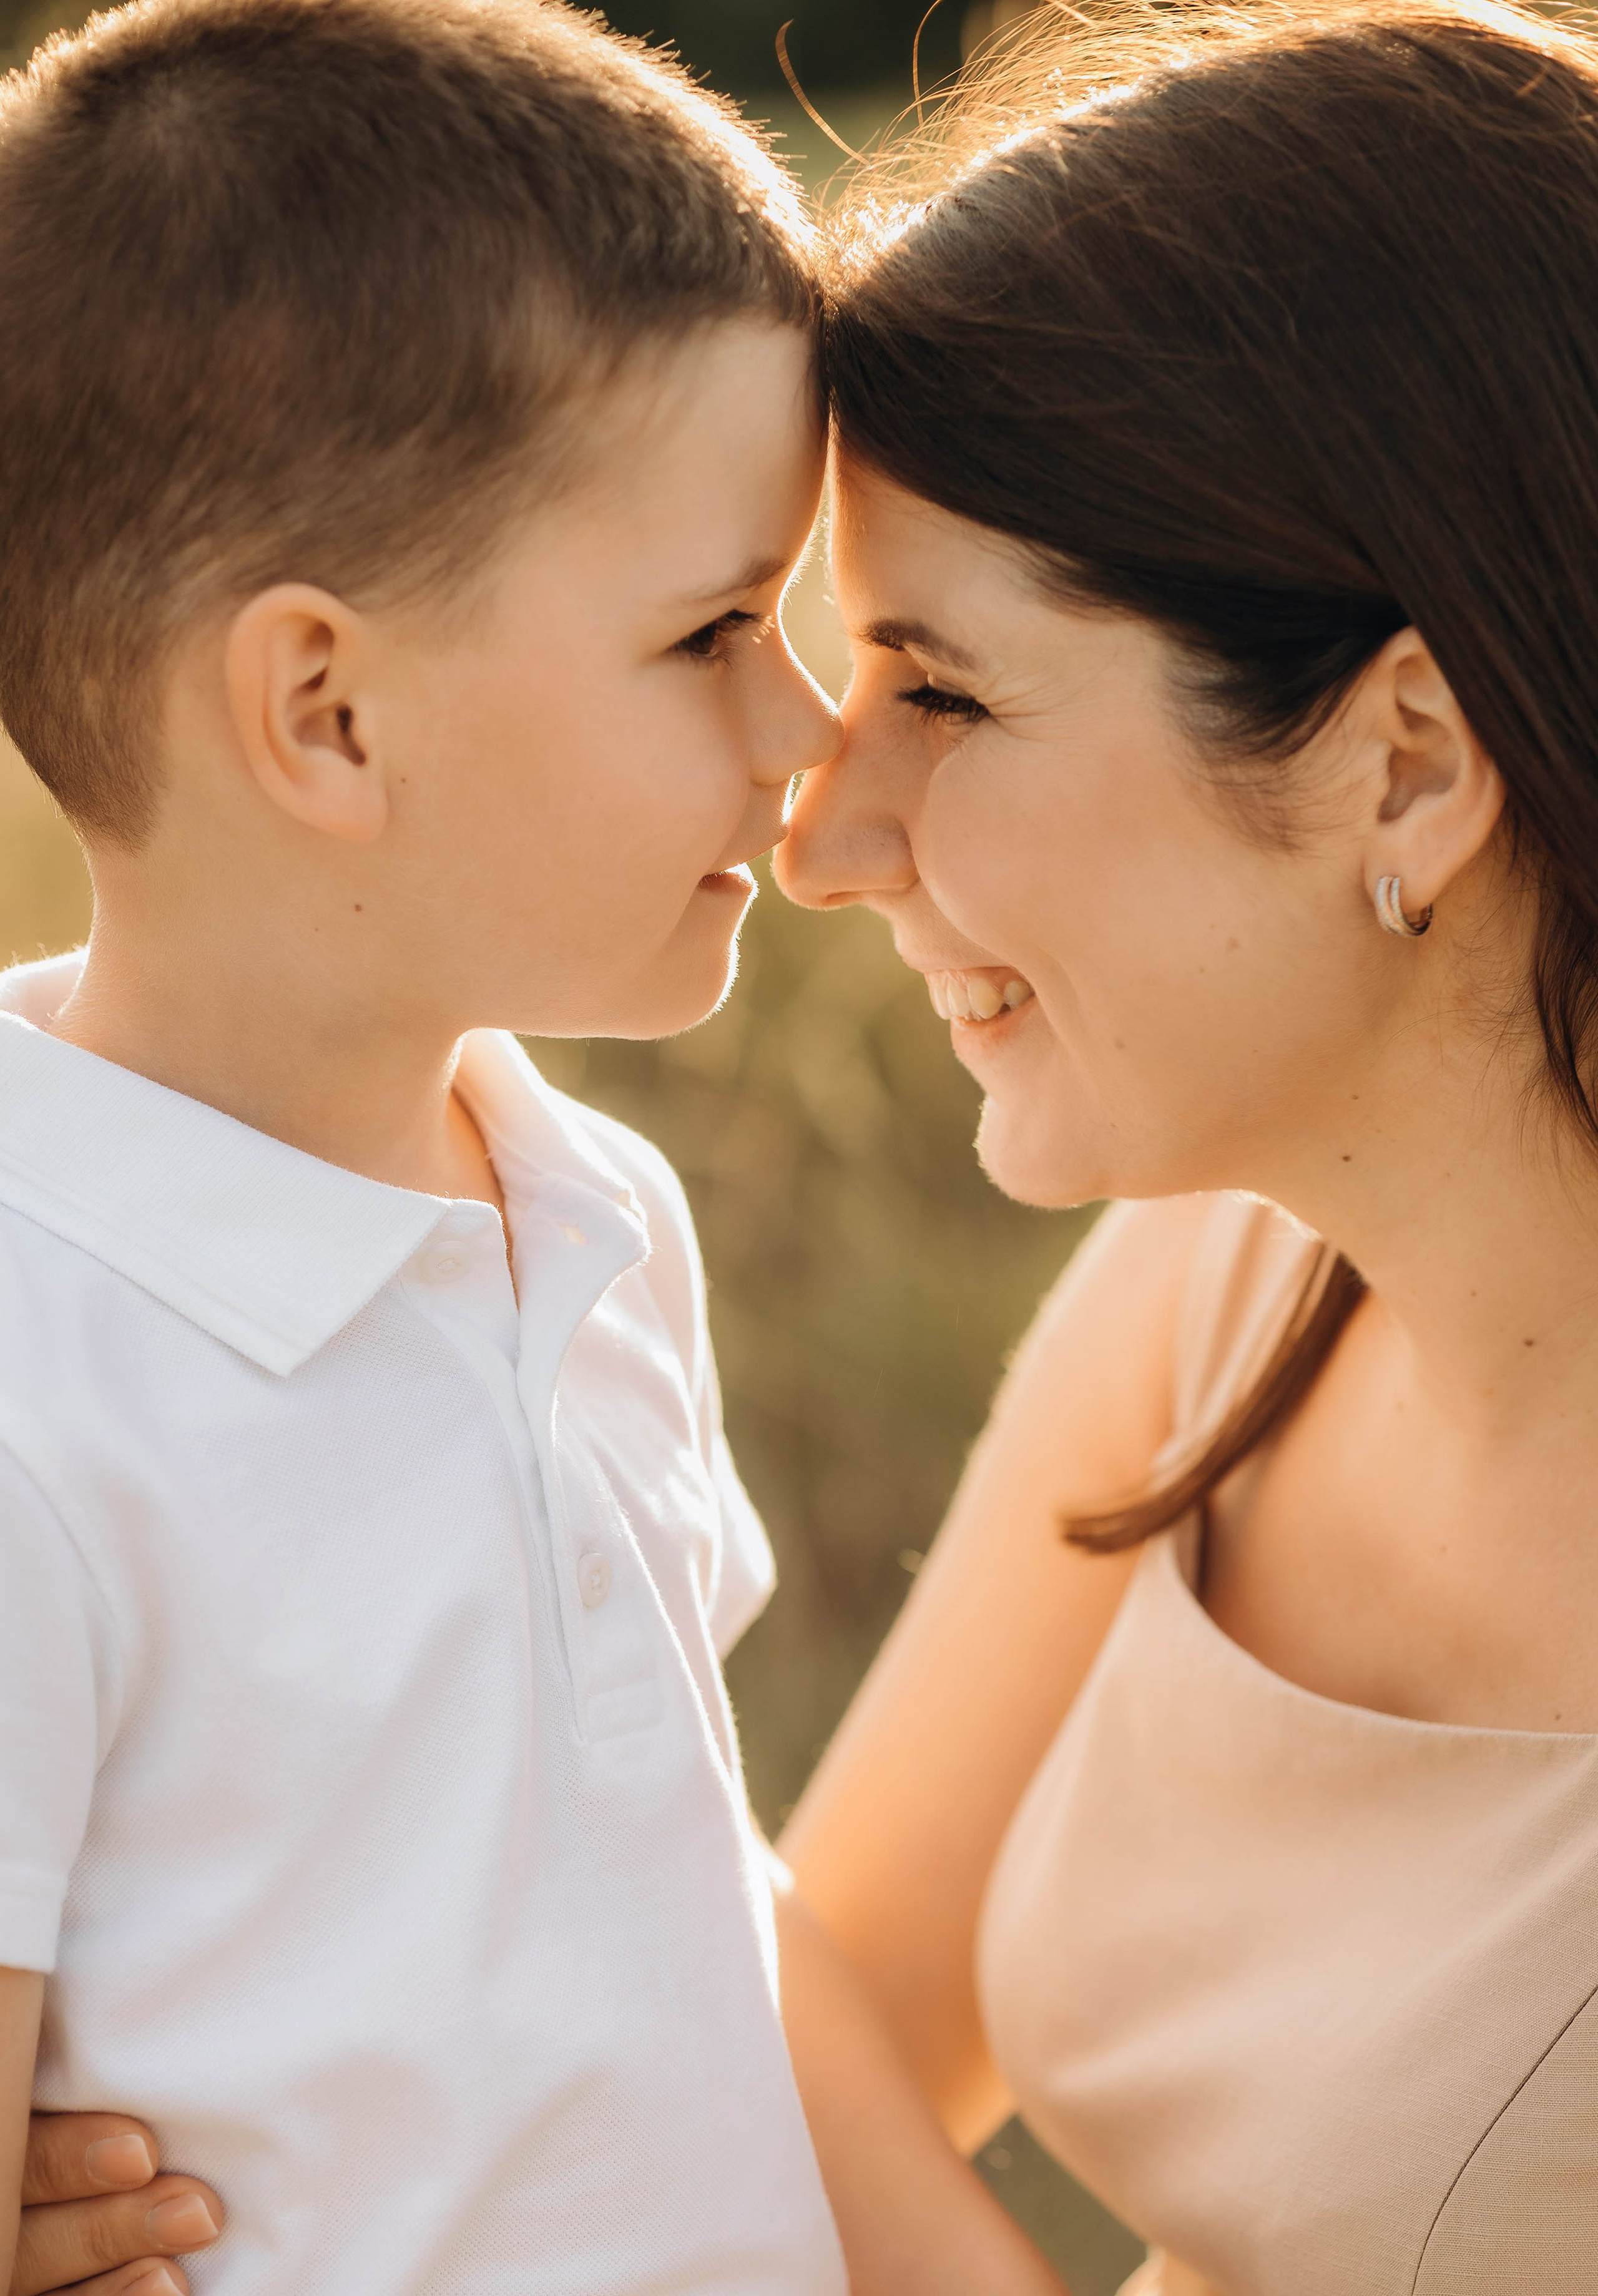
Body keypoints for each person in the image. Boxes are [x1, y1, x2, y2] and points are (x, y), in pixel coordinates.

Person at [0, 2, 1072, 2292]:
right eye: (709, 634)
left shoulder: (587, 1210)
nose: (803, 736)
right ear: (327, 712)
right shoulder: (33, 1391)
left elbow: (681, 1906)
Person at [765, 2, 1598, 2289]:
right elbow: (811, 2012)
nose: (822, 835)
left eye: (937, 690)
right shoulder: (1236, 1277)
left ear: (1408, 761)